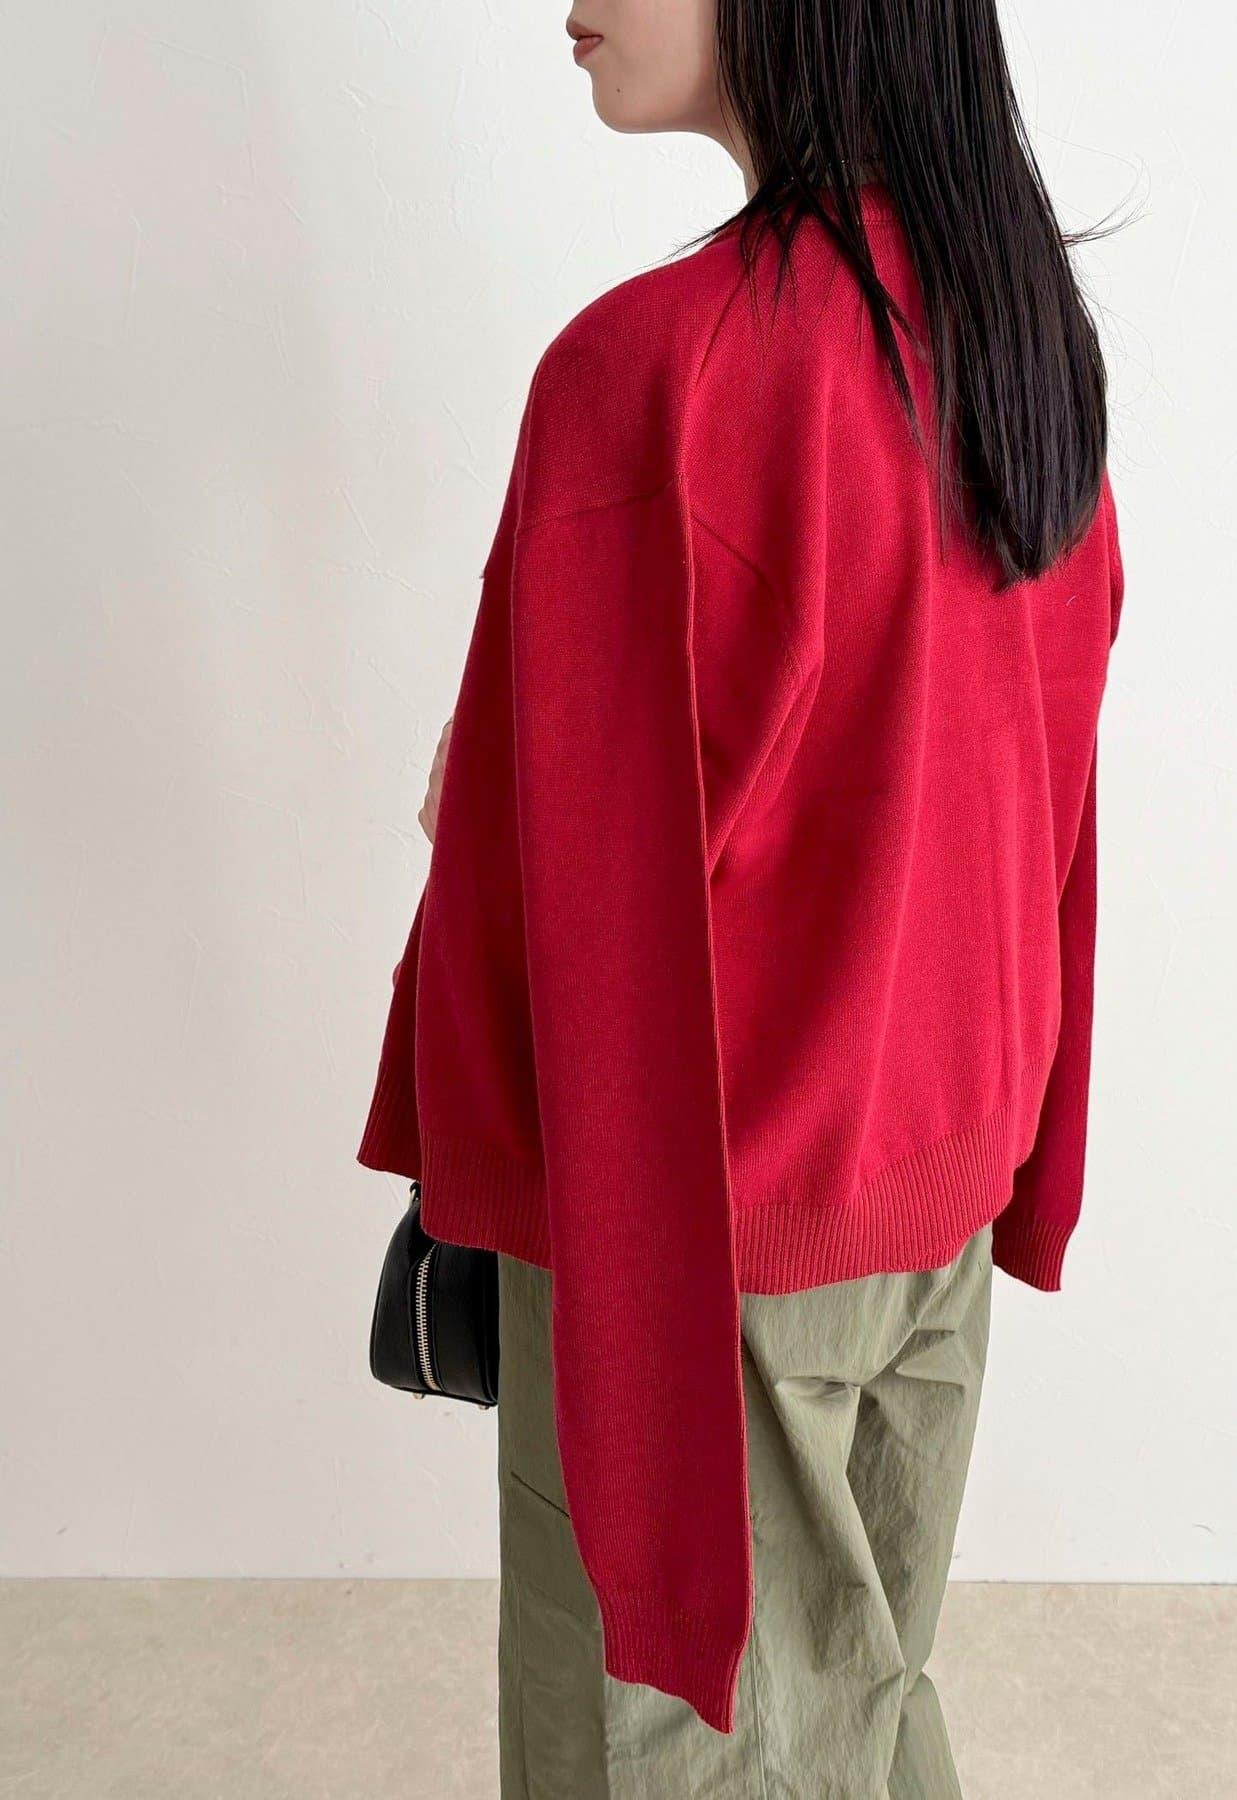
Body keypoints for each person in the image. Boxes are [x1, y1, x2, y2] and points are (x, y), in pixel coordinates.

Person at [358, 0, 1124, 1791]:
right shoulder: (1012, 334)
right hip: (930, 1185)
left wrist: (476, 800)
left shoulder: (659, 369)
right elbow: (1037, 778)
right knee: (855, 1712)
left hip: (698, 1228)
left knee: (667, 1747)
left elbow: (574, 891)